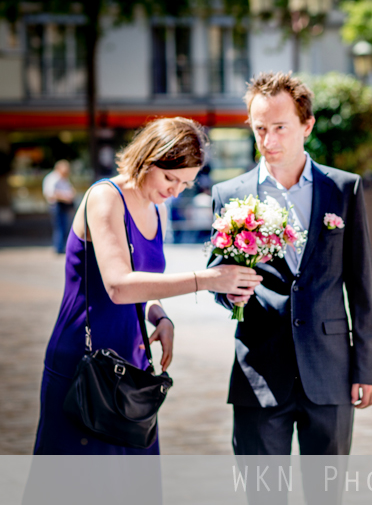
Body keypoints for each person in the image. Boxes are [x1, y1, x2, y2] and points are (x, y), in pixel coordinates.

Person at [32, 117, 262, 455]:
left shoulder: (158, 209)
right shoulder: (105, 197)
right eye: (170, 178)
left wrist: (160, 316)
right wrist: (206, 280)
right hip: (85, 363)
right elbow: (119, 287)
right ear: (147, 158)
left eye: (185, 183)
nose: (175, 191)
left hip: (131, 364)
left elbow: (143, 284)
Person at [208, 72, 372, 461]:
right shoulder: (229, 194)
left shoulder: (343, 189)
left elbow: (361, 287)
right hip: (259, 372)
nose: (268, 140)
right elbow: (217, 275)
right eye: (260, 129)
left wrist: (368, 367)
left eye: (280, 127)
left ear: (307, 125)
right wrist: (228, 293)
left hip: (330, 371)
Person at [42, 159, 76, 254]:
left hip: (64, 206)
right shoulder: (52, 178)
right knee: (59, 228)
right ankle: (58, 248)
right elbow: (49, 193)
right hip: (57, 205)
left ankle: (62, 246)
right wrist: (64, 196)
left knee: (65, 227)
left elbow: (70, 189)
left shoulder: (63, 178)